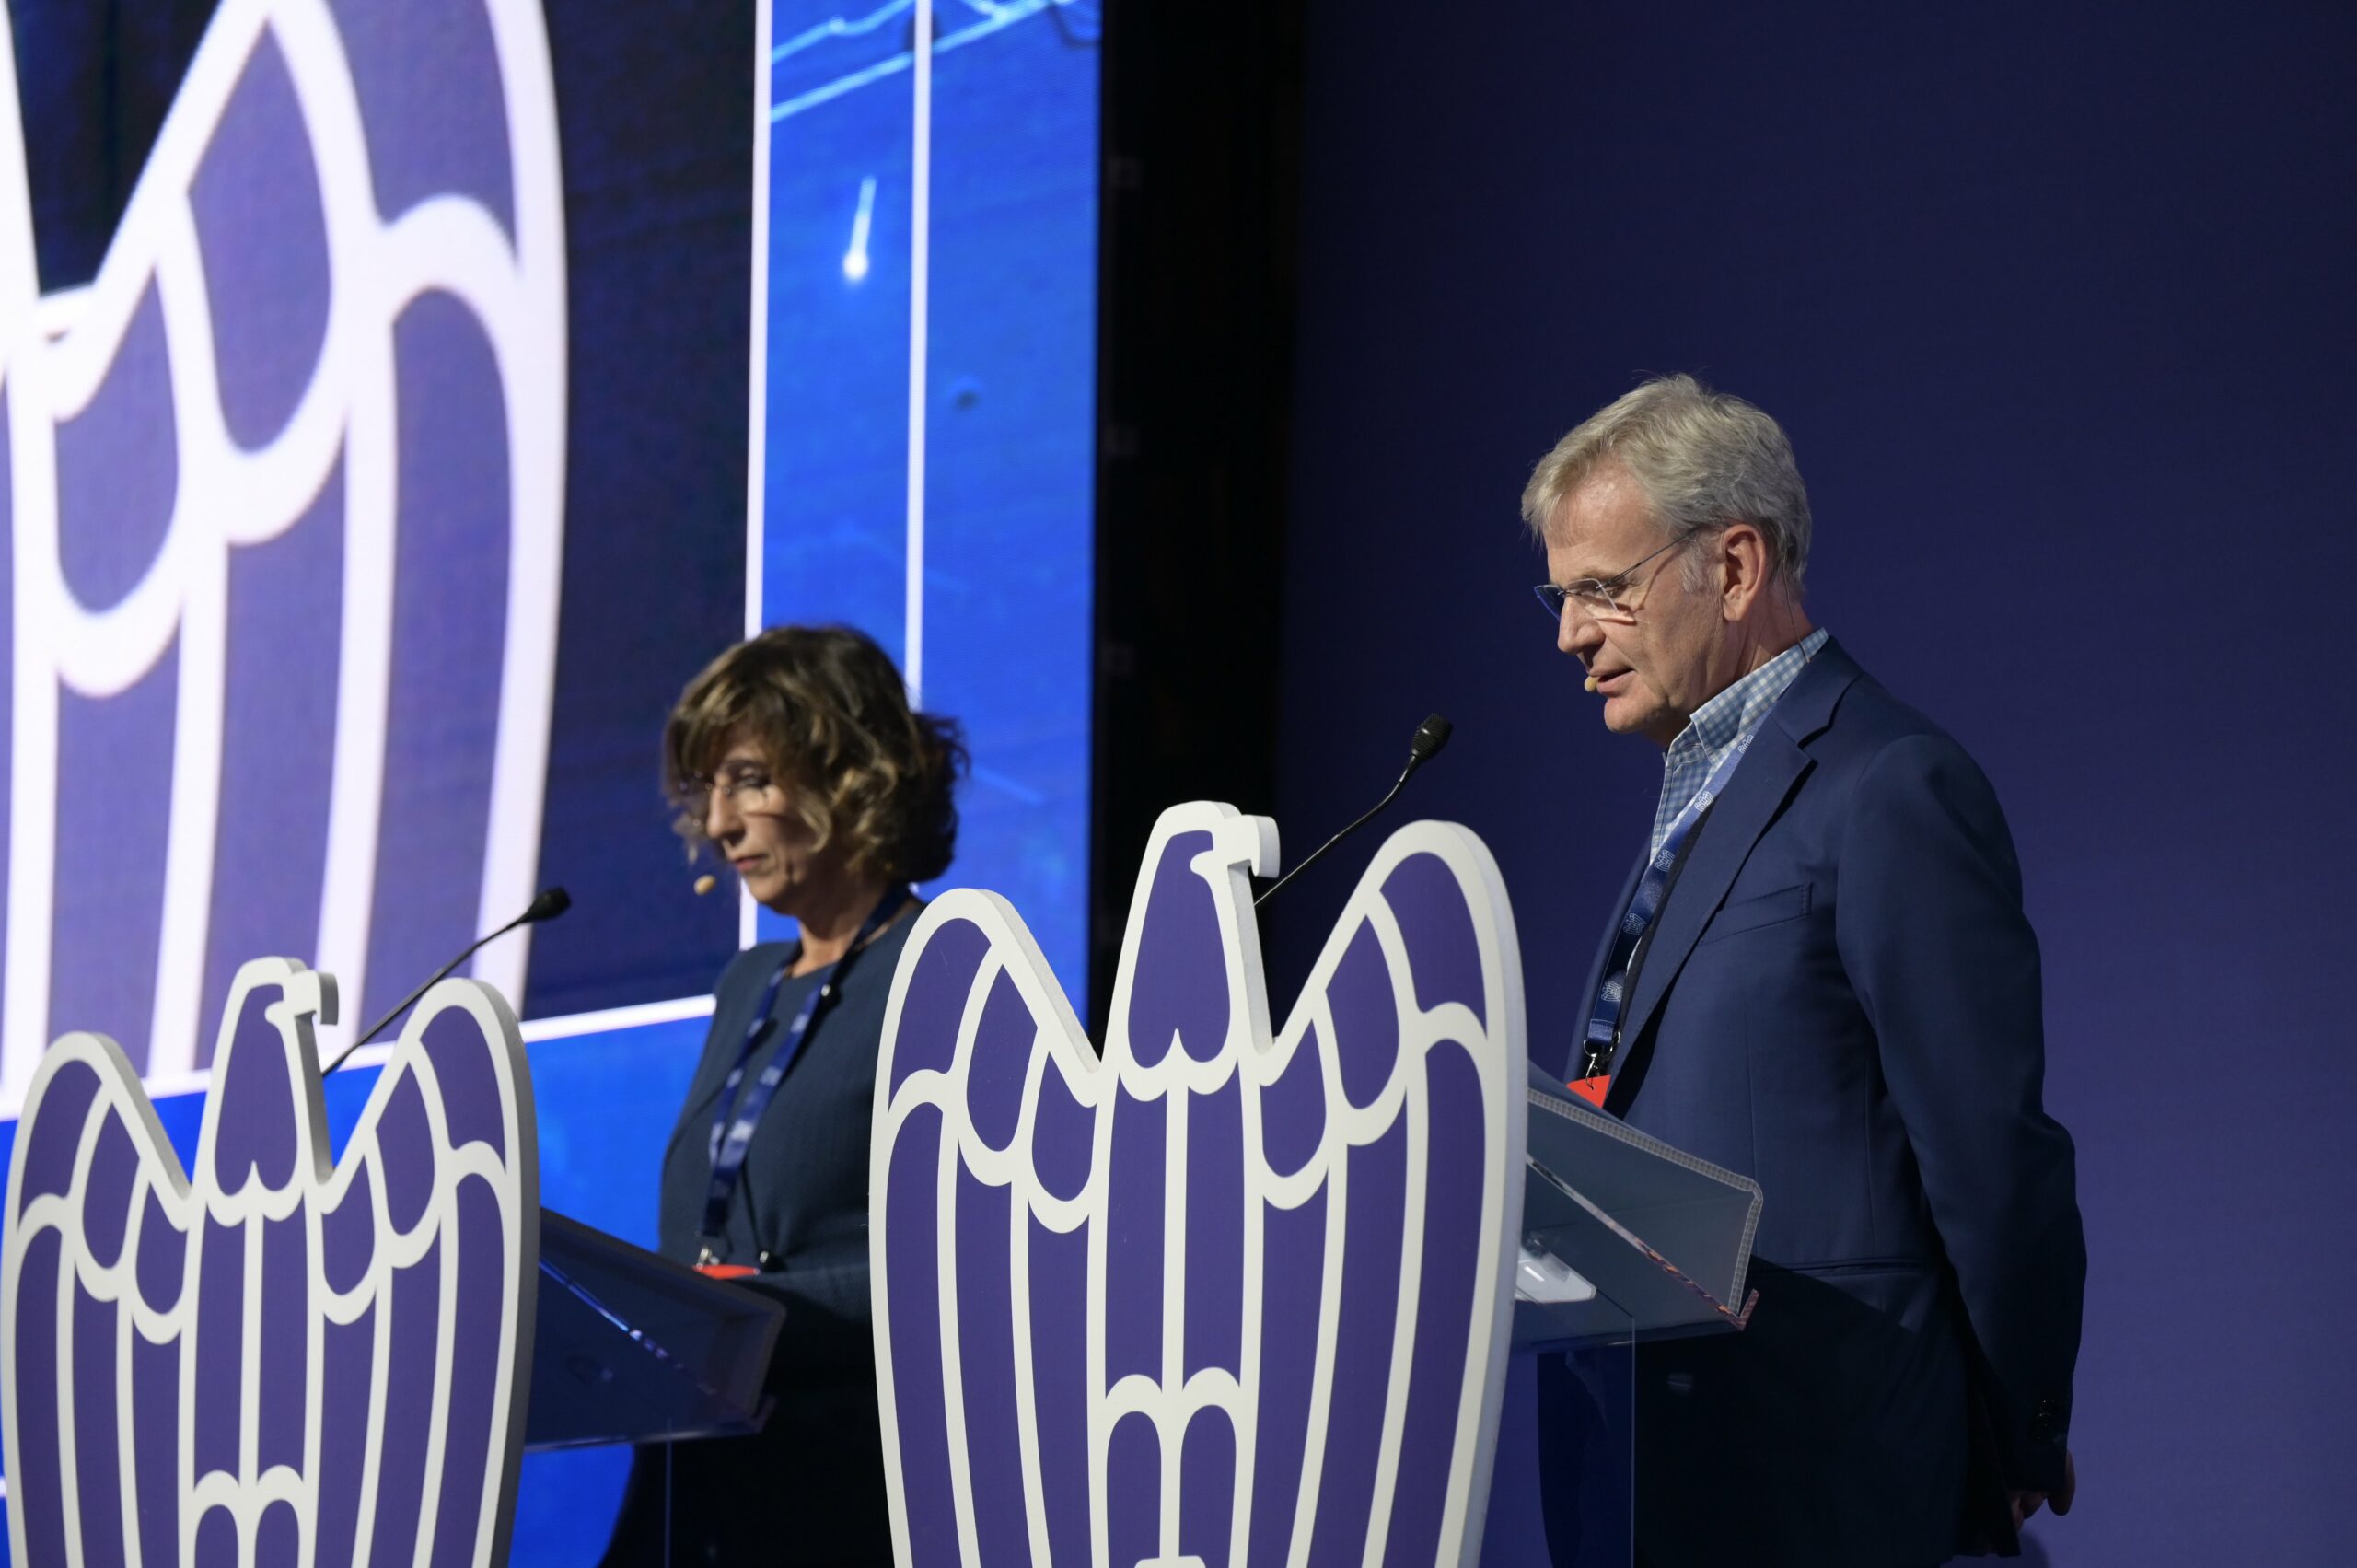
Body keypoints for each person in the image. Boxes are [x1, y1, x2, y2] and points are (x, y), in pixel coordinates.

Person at [1523, 377, 2084, 1567]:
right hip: (1658, 1469)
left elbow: (1990, 1156)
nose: (1570, 633)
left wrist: (2014, 1433)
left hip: (1821, 1471)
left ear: (1734, 567)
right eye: (1561, 594)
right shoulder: (1702, 800)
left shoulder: (1885, 785)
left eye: (1604, 589)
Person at [601, 623, 964, 1567]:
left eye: (750, 779)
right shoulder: (747, 983)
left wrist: (754, 1311)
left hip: (852, 1496)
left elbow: (977, 1268)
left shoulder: (943, 968)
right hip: (690, 1497)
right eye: (708, 788)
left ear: (852, 770)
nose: (720, 823)